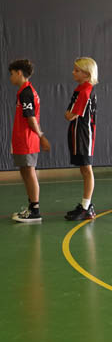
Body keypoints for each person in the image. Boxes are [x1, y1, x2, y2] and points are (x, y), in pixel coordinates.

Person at [8, 59, 50, 223]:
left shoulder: (26, 92)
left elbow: (31, 118)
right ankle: (31, 207)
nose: (10, 77)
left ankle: (35, 210)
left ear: (19, 73)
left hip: (27, 140)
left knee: (29, 172)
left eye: (12, 74)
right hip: (22, 139)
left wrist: (41, 136)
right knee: (25, 171)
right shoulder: (24, 91)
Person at [64, 57, 98, 221]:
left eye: (77, 70)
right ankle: (86, 204)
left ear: (87, 73)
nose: (73, 72)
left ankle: (86, 207)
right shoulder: (80, 89)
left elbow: (71, 115)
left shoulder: (85, 91)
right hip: (77, 132)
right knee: (84, 169)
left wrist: (69, 114)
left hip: (84, 134)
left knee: (86, 168)